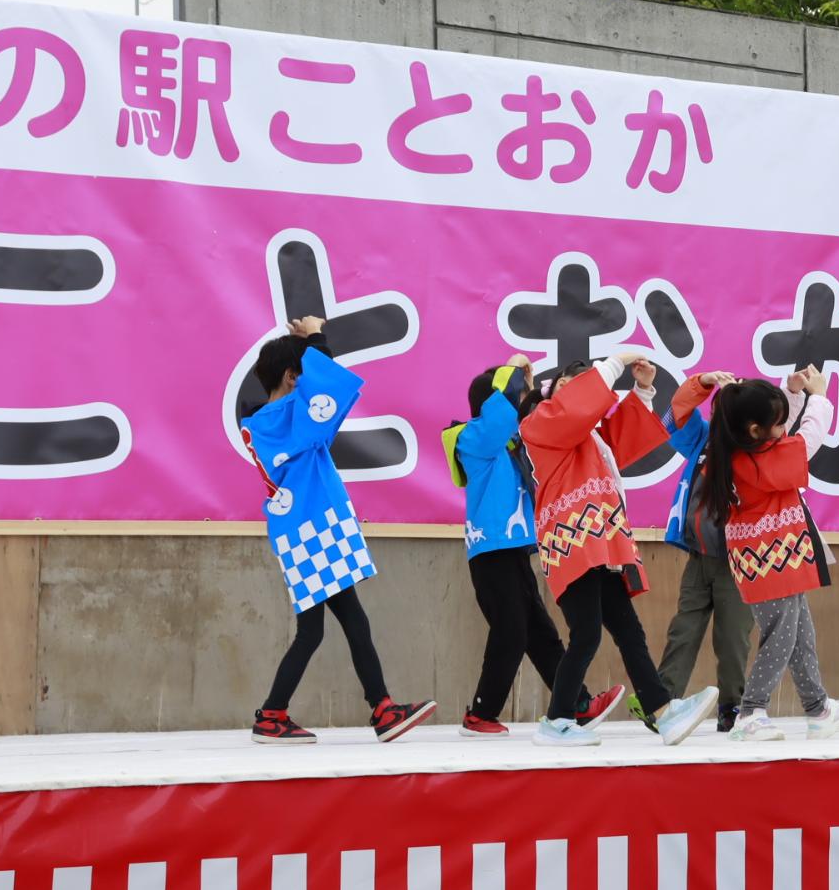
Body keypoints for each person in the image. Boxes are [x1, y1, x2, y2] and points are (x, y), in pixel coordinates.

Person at [240, 316, 435, 744]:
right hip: (314, 527)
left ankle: (366, 708)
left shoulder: (270, 421)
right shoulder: (286, 414)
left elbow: (321, 395)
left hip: (304, 528)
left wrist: (304, 345)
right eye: (302, 372)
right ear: (294, 378)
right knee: (331, 625)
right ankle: (372, 709)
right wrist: (314, 337)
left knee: (331, 625)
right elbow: (324, 394)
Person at [519, 353, 720, 746]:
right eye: (567, 387)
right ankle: (556, 720)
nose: (575, 395)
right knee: (587, 634)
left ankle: (663, 713)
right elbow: (575, 410)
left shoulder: (591, 437)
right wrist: (616, 361)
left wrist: (643, 388)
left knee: (629, 631)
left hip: (601, 544)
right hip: (573, 543)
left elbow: (626, 436)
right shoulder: (539, 424)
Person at [441, 354, 623, 737]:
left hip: (515, 549)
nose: (522, 399)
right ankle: (481, 713)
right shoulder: (471, 438)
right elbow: (504, 415)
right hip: (490, 552)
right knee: (511, 631)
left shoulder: (511, 441)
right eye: (515, 394)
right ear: (492, 401)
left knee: (540, 632)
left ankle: (578, 703)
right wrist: (514, 369)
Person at [701, 367, 839, 743]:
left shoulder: (737, 449)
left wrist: (791, 395)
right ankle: (751, 711)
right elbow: (807, 438)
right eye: (776, 424)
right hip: (773, 556)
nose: (782, 429)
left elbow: (779, 431)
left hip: (766, 557)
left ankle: (818, 707)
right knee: (781, 637)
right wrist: (818, 397)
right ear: (755, 430)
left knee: (800, 633)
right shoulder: (762, 458)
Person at [648, 369, 754, 735]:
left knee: (733, 637)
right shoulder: (703, 439)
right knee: (684, 629)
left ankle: (732, 706)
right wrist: (703, 382)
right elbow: (676, 414)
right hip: (698, 556)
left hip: (738, 561)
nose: (721, 410)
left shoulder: (754, 449)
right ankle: (663, 703)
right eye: (719, 403)